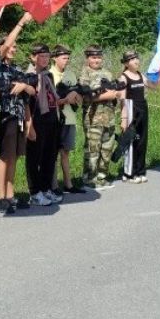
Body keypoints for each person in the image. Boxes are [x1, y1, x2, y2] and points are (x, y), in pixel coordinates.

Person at [0, 13, 35, 216]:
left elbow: (33, 91)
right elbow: (6, 45)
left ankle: (10, 194)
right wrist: (20, 23)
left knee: (15, 156)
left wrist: (25, 85)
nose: (13, 49)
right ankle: (0, 198)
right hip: (6, 115)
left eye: (16, 47)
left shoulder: (17, 68)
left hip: (18, 117)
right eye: (11, 47)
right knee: (5, 156)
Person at [80, 45, 125, 189]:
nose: (97, 60)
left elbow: (116, 92)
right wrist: (110, 94)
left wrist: (116, 94)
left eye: (99, 57)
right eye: (93, 57)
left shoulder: (107, 73)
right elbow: (86, 97)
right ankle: (89, 179)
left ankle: (102, 177)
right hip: (93, 119)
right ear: (87, 59)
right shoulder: (84, 74)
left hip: (109, 118)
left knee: (106, 149)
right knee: (93, 150)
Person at [24, 43, 61, 207]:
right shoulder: (28, 76)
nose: (45, 59)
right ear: (33, 57)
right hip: (36, 119)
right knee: (34, 157)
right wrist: (29, 125)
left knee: (49, 156)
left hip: (51, 117)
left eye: (47, 56)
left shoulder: (49, 75)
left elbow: (54, 96)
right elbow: (26, 103)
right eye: (41, 56)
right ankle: (34, 191)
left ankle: (46, 188)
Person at [50, 44, 83, 194]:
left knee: (66, 152)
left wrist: (76, 97)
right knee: (54, 153)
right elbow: (49, 101)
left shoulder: (70, 74)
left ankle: (68, 184)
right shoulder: (50, 74)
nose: (66, 61)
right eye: (63, 58)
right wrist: (64, 100)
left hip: (70, 118)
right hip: (55, 118)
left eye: (68, 58)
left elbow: (78, 96)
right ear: (55, 58)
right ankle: (54, 185)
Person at [119, 50, 152, 184]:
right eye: (132, 59)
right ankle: (129, 173)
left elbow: (153, 86)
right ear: (126, 63)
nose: (136, 61)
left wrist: (159, 76)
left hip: (142, 109)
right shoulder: (123, 77)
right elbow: (122, 100)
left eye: (137, 58)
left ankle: (140, 171)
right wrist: (124, 119)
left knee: (142, 140)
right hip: (130, 109)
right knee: (131, 141)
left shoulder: (140, 75)